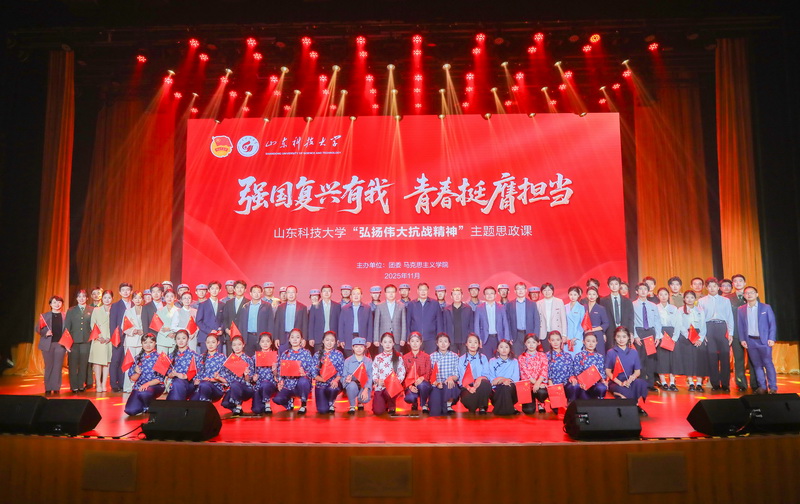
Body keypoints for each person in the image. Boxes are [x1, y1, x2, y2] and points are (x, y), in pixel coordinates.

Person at [738, 286, 778, 394]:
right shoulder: (741, 309)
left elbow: (772, 324)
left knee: (768, 363)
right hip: (750, 341)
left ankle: (773, 387)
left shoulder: (766, 307)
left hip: (764, 341)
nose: (749, 294)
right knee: (757, 365)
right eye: (747, 293)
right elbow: (740, 326)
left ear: (756, 294)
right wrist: (742, 339)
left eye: (752, 292)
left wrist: (771, 338)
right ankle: (762, 387)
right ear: (744, 296)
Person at [698, 278, 734, 391]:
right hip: (708, 327)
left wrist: (731, 333)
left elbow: (730, 317)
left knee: (724, 356)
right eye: (709, 286)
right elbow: (701, 319)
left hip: (722, 327)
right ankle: (715, 384)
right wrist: (703, 334)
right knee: (712, 356)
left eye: (714, 286)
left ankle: (725, 384)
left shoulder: (725, 300)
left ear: (718, 287)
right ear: (706, 288)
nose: (712, 288)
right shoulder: (701, 301)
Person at [605, 326, 649, 416]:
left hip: (630, 380)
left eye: (624, 337)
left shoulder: (633, 352)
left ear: (628, 337)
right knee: (623, 390)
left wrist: (631, 379)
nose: (621, 339)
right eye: (618, 336)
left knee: (640, 383)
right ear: (615, 337)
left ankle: (636, 405)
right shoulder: (611, 352)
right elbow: (608, 371)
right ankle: (629, 406)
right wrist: (620, 383)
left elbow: (637, 371)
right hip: (616, 381)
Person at [273, 329, 316, 413]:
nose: (295, 339)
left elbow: (312, 369)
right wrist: (280, 381)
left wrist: (304, 373)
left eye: (297, 337)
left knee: (303, 381)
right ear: (289, 339)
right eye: (292, 337)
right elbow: (280, 370)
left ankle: (303, 404)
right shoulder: (285, 354)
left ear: (301, 340)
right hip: (288, 384)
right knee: (277, 399)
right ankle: (290, 401)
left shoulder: (306, 353)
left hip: (301, 384)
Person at [727, 274, 757, 391]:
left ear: (744, 283)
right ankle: (741, 384)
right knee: (738, 360)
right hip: (735, 333)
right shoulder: (728, 298)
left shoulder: (751, 295)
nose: (738, 283)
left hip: (751, 333)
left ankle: (755, 383)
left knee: (753, 359)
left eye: (740, 281)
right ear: (733, 284)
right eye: (735, 281)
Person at [124, 333, 166, 415]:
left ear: (155, 343)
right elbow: (132, 378)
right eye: (145, 342)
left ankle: (150, 406)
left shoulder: (160, 357)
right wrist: (137, 373)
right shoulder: (137, 358)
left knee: (145, 393)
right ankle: (144, 404)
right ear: (142, 344)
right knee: (130, 410)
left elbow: (160, 379)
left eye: (151, 342)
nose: (148, 345)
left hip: (155, 386)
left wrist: (147, 384)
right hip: (139, 387)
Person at [675, 291, 708, 391]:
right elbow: (680, 324)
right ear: (684, 299)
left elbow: (703, 325)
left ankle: (699, 383)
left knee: (700, 360)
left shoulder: (700, 310)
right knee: (688, 360)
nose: (689, 299)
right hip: (686, 336)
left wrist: (700, 338)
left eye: (692, 297)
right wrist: (689, 336)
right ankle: (691, 383)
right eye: (687, 297)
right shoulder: (680, 310)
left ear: (695, 299)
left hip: (698, 335)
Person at [631, 283, 662, 390]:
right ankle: (642, 383)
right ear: (636, 291)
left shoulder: (653, 305)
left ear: (648, 291)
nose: (643, 291)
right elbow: (632, 321)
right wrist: (635, 336)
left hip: (651, 333)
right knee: (640, 359)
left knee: (650, 359)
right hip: (639, 332)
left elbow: (657, 321)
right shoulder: (633, 305)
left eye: (645, 289)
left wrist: (657, 336)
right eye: (641, 289)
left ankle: (650, 383)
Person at [64, 290, 93, 391]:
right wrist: (66, 344)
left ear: (87, 298)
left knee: (84, 365)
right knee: (73, 365)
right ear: (76, 298)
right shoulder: (71, 310)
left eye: (83, 296)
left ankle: (81, 385)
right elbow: (67, 328)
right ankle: (74, 386)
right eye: (79, 296)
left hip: (86, 341)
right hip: (73, 342)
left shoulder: (92, 310)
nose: (81, 298)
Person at [37, 295, 67, 395]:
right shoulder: (45, 316)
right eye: (54, 302)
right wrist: (45, 333)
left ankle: (56, 387)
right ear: (50, 304)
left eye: (59, 302)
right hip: (47, 344)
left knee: (58, 366)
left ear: (62, 304)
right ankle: (48, 387)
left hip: (60, 344)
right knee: (49, 366)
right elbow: (38, 328)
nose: (57, 304)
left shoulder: (65, 316)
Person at [219, 335, 255, 415]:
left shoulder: (248, 359)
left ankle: (238, 406)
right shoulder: (229, 360)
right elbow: (225, 376)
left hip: (245, 388)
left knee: (235, 384)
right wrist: (218, 377)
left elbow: (250, 380)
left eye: (239, 344)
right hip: (232, 388)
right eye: (234, 345)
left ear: (243, 345)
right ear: (231, 346)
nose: (237, 347)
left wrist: (246, 375)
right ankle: (236, 408)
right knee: (225, 403)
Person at [371, 333, 406, 415]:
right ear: (381, 343)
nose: (387, 344)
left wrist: (394, 383)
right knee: (378, 411)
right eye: (385, 342)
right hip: (380, 386)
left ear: (393, 343)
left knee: (389, 392)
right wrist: (377, 381)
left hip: (392, 387)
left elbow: (402, 373)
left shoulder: (398, 357)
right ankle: (383, 402)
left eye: (390, 342)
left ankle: (391, 405)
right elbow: (374, 372)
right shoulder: (378, 358)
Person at [458, 333, 492, 414]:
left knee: (485, 383)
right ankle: (472, 406)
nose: (473, 344)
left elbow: (487, 374)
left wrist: (480, 378)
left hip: (480, 384)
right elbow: (461, 378)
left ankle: (482, 407)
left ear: (479, 345)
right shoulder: (462, 359)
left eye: (475, 342)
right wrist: (469, 388)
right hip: (467, 386)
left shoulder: (483, 357)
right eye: (470, 342)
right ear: (466, 344)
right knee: (468, 399)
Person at [108, 282, 133, 393]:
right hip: (118, 337)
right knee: (116, 360)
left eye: (128, 290)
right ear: (119, 292)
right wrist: (114, 337)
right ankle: (114, 383)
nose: (126, 292)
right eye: (123, 290)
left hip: (131, 337)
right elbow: (112, 323)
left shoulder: (134, 304)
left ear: (131, 291)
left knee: (126, 360)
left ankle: (123, 383)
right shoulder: (115, 306)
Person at [428, 333, 461, 415]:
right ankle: (434, 403)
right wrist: (436, 383)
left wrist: (451, 378)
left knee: (450, 386)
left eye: (445, 341)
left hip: (448, 384)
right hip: (436, 385)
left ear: (449, 343)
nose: (443, 344)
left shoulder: (454, 356)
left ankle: (448, 405)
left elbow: (457, 374)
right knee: (435, 412)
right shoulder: (431, 357)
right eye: (440, 341)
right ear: (437, 343)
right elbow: (429, 374)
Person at [599, 276, 634, 351]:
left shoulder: (628, 301)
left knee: (624, 354)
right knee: (610, 353)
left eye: (616, 284)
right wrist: (603, 333)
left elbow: (631, 319)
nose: (614, 286)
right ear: (608, 286)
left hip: (624, 332)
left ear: (619, 285)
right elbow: (601, 319)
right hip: (609, 332)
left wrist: (631, 333)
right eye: (611, 284)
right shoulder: (603, 301)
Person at [486, 339, 521, 415]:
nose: (504, 349)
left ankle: (502, 409)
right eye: (501, 347)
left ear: (510, 349)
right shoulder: (492, 361)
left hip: (510, 387)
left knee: (506, 387)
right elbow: (492, 380)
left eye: (506, 347)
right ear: (497, 349)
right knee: (502, 387)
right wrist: (503, 380)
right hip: (497, 388)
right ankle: (510, 409)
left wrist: (502, 379)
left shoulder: (514, 361)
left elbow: (515, 378)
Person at [313, 331, 344, 414]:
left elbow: (341, 370)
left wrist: (336, 380)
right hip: (320, 384)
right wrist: (322, 379)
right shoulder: (317, 355)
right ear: (323, 341)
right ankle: (325, 401)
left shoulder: (339, 354)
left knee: (333, 389)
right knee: (322, 410)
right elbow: (313, 373)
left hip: (333, 383)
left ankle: (331, 402)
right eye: (327, 340)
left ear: (335, 342)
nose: (329, 343)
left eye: (332, 340)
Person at [89, 290, 114, 393]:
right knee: (97, 363)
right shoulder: (97, 310)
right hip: (98, 339)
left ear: (112, 298)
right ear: (102, 299)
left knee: (107, 362)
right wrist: (99, 337)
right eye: (105, 298)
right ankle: (98, 384)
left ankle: (104, 384)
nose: (107, 300)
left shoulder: (114, 309)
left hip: (110, 340)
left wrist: (109, 337)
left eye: (109, 298)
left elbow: (117, 325)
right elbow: (93, 324)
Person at [406, 283, 442, 354]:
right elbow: (408, 322)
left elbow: (439, 322)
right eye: (421, 290)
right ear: (417, 291)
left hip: (431, 339)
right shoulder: (411, 304)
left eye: (425, 290)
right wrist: (408, 337)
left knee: (431, 359)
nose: (423, 292)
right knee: (416, 359)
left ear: (428, 291)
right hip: (415, 338)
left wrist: (439, 338)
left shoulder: (435, 304)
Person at [545, 331, 577, 413]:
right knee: (557, 411)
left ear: (561, 340)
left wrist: (572, 378)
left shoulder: (568, 355)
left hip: (566, 384)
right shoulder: (546, 356)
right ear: (549, 341)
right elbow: (545, 371)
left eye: (557, 340)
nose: (555, 342)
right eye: (553, 340)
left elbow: (571, 371)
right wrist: (550, 382)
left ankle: (570, 403)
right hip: (553, 385)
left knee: (574, 386)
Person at [505, 282, 540, 356]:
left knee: (530, 357)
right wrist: (509, 337)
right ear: (515, 291)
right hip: (516, 336)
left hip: (530, 335)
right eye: (518, 289)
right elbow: (507, 322)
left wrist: (535, 337)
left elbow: (537, 321)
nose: (520, 291)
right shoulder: (510, 304)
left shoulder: (532, 304)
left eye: (522, 288)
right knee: (516, 357)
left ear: (526, 290)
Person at [191, 332, 227, 403]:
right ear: (205, 343)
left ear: (218, 343)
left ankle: (205, 407)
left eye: (213, 342)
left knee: (205, 385)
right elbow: (196, 374)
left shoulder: (222, 357)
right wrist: (196, 380)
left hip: (216, 389)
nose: (210, 345)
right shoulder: (201, 357)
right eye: (208, 342)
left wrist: (213, 379)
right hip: (200, 387)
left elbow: (226, 379)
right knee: (192, 402)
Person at [655, 287, 680, 391]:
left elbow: (678, 323)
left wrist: (675, 337)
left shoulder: (674, 308)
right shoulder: (655, 308)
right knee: (661, 359)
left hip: (672, 333)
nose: (663, 297)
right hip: (660, 334)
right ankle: (663, 382)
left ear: (668, 296)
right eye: (661, 294)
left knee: (673, 359)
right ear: (658, 296)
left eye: (665, 294)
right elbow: (655, 323)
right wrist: (660, 336)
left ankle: (672, 382)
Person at [337, 287, 373, 358]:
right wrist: (341, 339)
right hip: (348, 338)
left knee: (361, 359)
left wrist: (369, 340)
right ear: (350, 296)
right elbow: (341, 325)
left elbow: (370, 325)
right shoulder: (344, 308)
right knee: (349, 359)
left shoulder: (367, 308)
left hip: (362, 337)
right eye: (354, 294)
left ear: (361, 296)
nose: (356, 296)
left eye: (358, 294)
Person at [474, 286, 509, 357]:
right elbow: (476, 325)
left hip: (498, 338)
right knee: (486, 359)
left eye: (491, 293)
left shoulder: (501, 307)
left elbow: (505, 324)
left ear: (495, 295)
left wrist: (506, 339)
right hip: (485, 339)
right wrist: (478, 339)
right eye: (487, 294)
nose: (489, 295)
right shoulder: (479, 308)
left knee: (499, 358)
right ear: (484, 296)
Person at [518, 334, 549, 413]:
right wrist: (535, 384)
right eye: (529, 342)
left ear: (538, 343)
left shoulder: (543, 355)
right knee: (528, 411)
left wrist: (538, 383)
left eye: (534, 342)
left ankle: (540, 403)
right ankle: (531, 400)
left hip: (540, 384)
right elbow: (526, 373)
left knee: (542, 392)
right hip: (527, 385)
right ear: (525, 343)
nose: (531, 345)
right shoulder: (521, 357)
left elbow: (544, 371)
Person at [571, 332, 607, 400]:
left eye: (593, 341)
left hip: (596, 383)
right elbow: (576, 371)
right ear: (583, 342)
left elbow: (602, 372)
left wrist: (603, 380)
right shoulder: (578, 356)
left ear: (596, 342)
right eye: (588, 341)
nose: (591, 343)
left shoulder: (599, 357)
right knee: (581, 392)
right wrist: (581, 382)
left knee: (602, 388)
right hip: (582, 384)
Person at [239, 284, 273, 356]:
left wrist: (270, 338)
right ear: (250, 293)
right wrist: (242, 338)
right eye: (254, 292)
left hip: (262, 337)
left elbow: (271, 323)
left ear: (262, 293)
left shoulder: (267, 306)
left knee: (262, 358)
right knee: (249, 358)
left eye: (258, 292)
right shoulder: (245, 306)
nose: (256, 294)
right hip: (248, 337)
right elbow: (241, 324)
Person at [273, 285, 309, 354]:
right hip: (283, 337)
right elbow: (277, 323)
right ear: (286, 294)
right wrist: (276, 338)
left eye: (293, 292)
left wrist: (304, 338)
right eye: (289, 292)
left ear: (296, 294)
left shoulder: (302, 307)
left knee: (296, 357)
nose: (291, 294)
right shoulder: (280, 307)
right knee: (283, 357)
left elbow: (305, 325)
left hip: (297, 338)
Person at [122, 291, 145, 392]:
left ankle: (139, 385)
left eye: (139, 298)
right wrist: (133, 331)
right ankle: (128, 386)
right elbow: (124, 326)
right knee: (129, 363)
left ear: (142, 299)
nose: (137, 300)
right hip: (131, 340)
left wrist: (143, 331)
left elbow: (149, 323)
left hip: (142, 341)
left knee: (140, 363)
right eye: (135, 298)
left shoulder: (145, 310)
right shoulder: (128, 311)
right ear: (132, 300)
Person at [373, 284, 407, 354]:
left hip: (397, 338)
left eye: (393, 292)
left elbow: (404, 324)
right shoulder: (380, 306)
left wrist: (403, 338)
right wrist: (376, 339)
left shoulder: (401, 306)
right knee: (383, 358)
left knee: (396, 357)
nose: (391, 294)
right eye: (389, 292)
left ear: (396, 293)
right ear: (385, 293)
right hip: (383, 338)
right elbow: (376, 324)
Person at [402, 333, 432, 412]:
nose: (415, 344)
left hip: (423, 383)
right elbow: (403, 375)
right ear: (409, 342)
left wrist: (422, 378)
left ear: (421, 342)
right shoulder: (405, 357)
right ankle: (414, 402)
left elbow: (428, 372)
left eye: (417, 341)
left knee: (422, 385)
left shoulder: (426, 357)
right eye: (412, 341)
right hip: (411, 384)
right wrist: (409, 386)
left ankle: (424, 404)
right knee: (410, 398)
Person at [251, 332, 279, 414]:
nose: (265, 344)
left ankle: (267, 404)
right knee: (256, 410)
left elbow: (279, 374)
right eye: (263, 341)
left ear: (271, 342)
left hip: (270, 384)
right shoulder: (255, 357)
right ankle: (262, 402)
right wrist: (253, 378)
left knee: (265, 384)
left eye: (267, 341)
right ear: (259, 343)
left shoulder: (276, 356)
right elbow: (251, 372)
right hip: (258, 385)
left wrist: (275, 371)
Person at [342, 337, 373, 413]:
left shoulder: (368, 361)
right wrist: (347, 379)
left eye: (361, 346)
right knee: (352, 386)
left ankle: (360, 402)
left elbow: (370, 377)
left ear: (364, 348)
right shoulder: (348, 361)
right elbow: (344, 376)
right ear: (352, 347)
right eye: (356, 346)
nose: (359, 349)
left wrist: (366, 389)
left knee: (364, 398)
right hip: (352, 384)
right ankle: (352, 406)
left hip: (364, 385)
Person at [166, 330, 198, 401]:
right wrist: (171, 374)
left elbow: (198, 371)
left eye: (183, 338)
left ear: (188, 339)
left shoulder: (194, 355)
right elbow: (168, 372)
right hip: (175, 384)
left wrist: (184, 376)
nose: (181, 341)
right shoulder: (171, 355)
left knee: (178, 383)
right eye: (178, 338)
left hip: (189, 384)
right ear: (175, 340)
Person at [309, 284, 342, 353]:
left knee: (333, 357)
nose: (326, 293)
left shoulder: (337, 306)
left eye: (328, 291)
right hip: (318, 338)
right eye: (324, 291)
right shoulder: (315, 306)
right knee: (319, 357)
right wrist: (311, 338)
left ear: (331, 293)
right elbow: (311, 323)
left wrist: (339, 338)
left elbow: (340, 323)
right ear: (321, 293)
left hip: (333, 338)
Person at [441, 287, 474, 355]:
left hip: (465, 340)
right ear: (451, 296)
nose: (457, 296)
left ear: (462, 296)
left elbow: (471, 325)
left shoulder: (468, 309)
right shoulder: (446, 310)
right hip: (451, 340)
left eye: (459, 294)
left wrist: (470, 338)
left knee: (464, 359)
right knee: (452, 359)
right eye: (455, 294)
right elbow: (444, 325)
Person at [195, 280, 224, 354]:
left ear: (220, 290)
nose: (214, 291)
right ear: (209, 290)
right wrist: (210, 331)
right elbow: (198, 321)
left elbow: (224, 320)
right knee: (204, 358)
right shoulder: (203, 304)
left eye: (216, 288)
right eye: (212, 288)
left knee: (218, 358)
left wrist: (222, 329)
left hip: (218, 337)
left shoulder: (223, 305)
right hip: (205, 336)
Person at [536, 283, 567, 352]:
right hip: (544, 333)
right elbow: (537, 321)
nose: (547, 292)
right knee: (546, 352)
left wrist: (564, 335)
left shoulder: (559, 301)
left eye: (549, 290)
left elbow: (563, 319)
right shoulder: (539, 303)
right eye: (544, 290)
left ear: (552, 291)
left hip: (556, 331)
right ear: (542, 292)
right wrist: (537, 336)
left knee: (557, 352)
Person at [221, 280, 248, 356]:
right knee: (230, 358)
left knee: (243, 358)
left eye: (242, 287)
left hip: (243, 335)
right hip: (230, 334)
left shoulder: (248, 303)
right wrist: (227, 330)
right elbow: (225, 318)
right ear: (234, 289)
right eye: (237, 287)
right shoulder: (228, 303)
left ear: (245, 290)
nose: (239, 289)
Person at [584, 287, 610, 354]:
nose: (591, 296)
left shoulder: (601, 308)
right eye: (589, 294)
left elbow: (606, 323)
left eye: (594, 294)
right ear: (586, 295)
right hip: (586, 334)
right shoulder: (583, 308)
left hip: (597, 334)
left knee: (599, 354)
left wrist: (593, 329)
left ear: (597, 296)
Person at [155, 289, 180, 355]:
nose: (169, 298)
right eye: (167, 296)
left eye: (172, 296)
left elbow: (180, 325)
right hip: (162, 338)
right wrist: (167, 334)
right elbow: (157, 325)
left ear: (175, 297)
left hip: (174, 338)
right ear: (164, 298)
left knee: (173, 359)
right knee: (162, 359)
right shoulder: (159, 310)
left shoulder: (179, 310)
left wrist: (174, 333)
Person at [564, 286, 587, 354]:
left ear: (578, 295)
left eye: (575, 295)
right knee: (567, 356)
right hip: (567, 336)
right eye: (571, 294)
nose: (573, 297)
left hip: (577, 336)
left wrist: (576, 337)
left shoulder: (581, 308)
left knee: (577, 355)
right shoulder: (565, 307)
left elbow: (583, 323)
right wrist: (565, 335)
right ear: (568, 295)